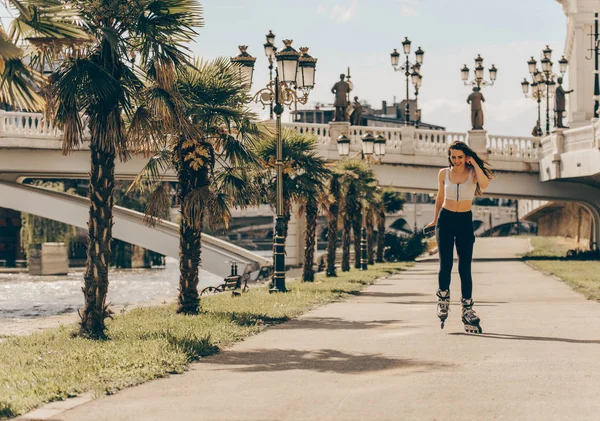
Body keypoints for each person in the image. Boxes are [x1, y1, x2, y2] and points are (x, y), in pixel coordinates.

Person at [424, 141, 493, 333]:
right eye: (453, 157)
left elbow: (485, 184)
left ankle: (467, 309)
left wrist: (475, 164)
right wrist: (434, 220)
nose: (456, 161)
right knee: (445, 263)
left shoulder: (473, 173)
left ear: (467, 157)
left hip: (464, 221)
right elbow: (439, 197)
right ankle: (443, 300)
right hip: (445, 220)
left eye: (460, 157)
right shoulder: (443, 173)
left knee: (465, 266)